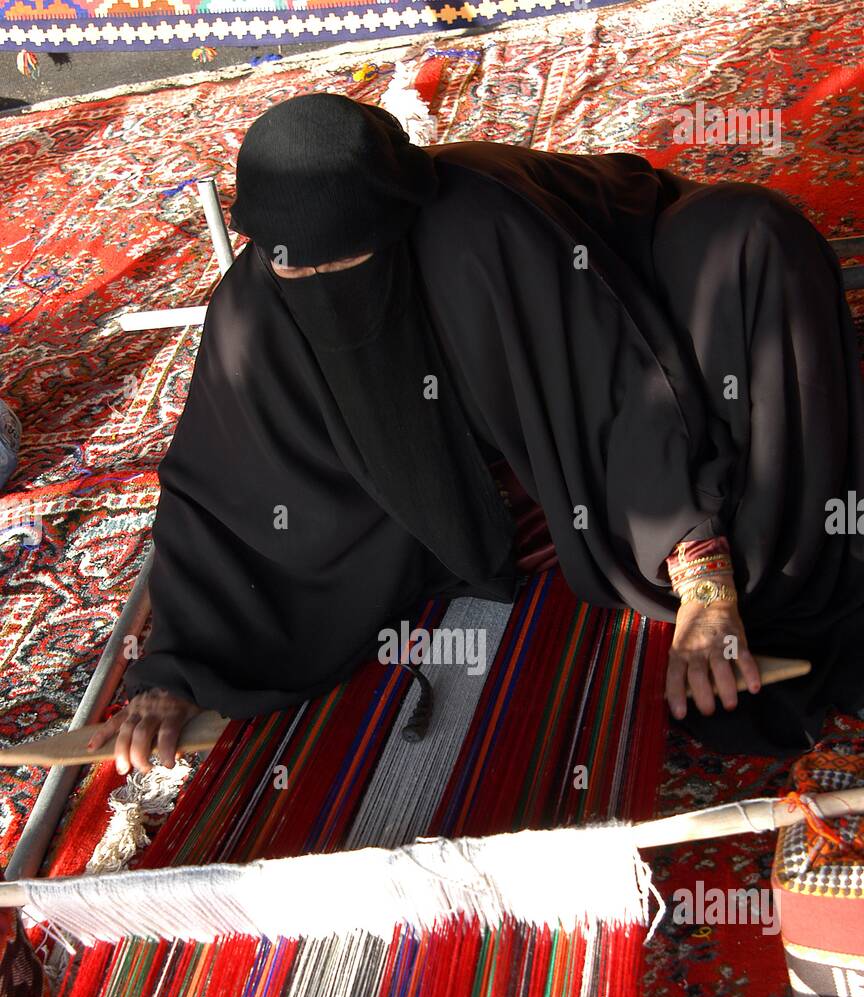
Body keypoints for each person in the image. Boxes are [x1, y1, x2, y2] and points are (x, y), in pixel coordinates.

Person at [88, 93, 864, 775]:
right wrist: (173, 671)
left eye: (349, 264)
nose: (325, 291)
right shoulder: (256, 303)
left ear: (396, 224)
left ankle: (779, 568)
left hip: (635, 304)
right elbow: (221, 491)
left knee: (751, 233)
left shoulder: (478, 230)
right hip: (503, 412)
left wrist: (703, 581)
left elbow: (619, 389)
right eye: (300, 275)